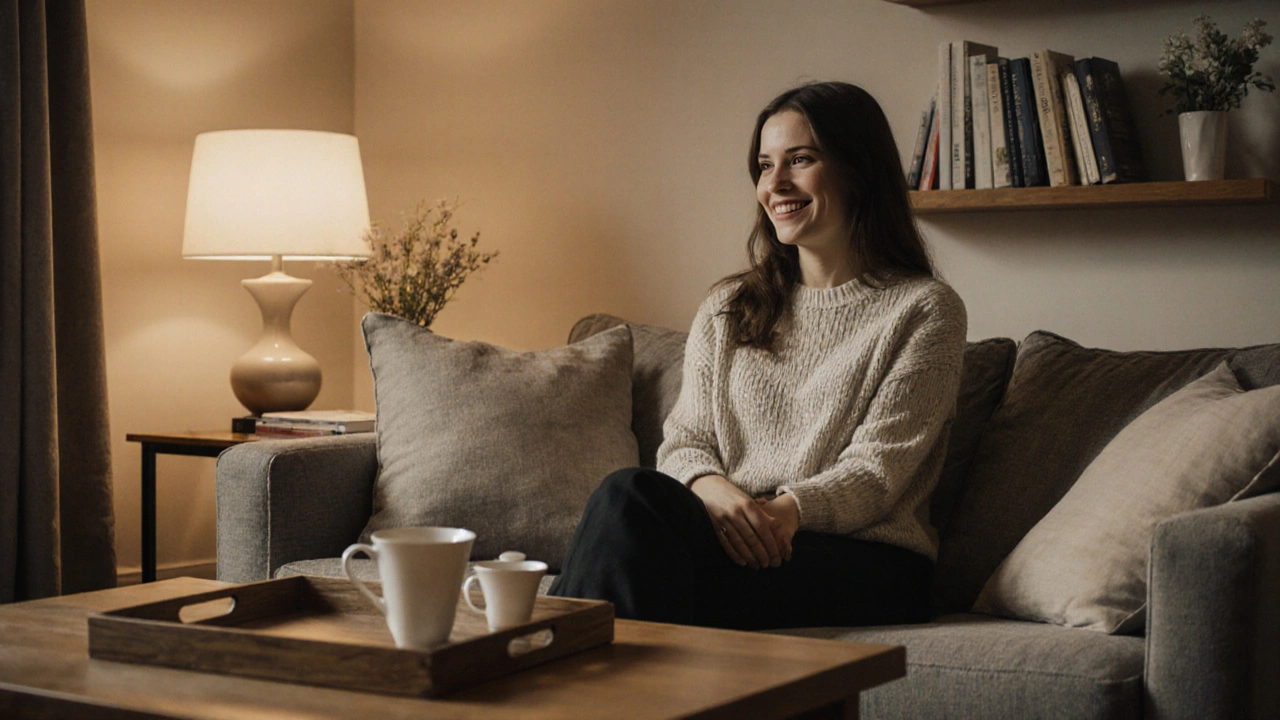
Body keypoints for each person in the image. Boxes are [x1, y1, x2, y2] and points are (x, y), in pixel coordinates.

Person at [548, 81, 967, 631]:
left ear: (858, 169)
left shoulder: (925, 310)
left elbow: (877, 473)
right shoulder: (730, 306)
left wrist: (780, 513)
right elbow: (686, 441)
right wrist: (713, 491)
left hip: (863, 559)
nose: (776, 184)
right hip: (737, 536)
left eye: (801, 160)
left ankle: (531, 655)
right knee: (631, 508)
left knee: (631, 510)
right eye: (765, 165)